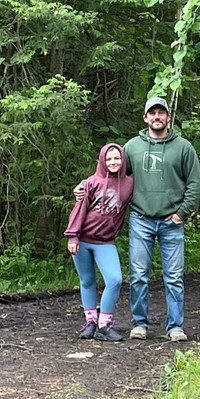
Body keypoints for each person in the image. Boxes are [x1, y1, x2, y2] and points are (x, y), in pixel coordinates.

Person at [122, 96, 200, 342]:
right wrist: (87, 186)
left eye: (161, 113)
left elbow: (195, 183)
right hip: (141, 219)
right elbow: (113, 176)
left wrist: (182, 213)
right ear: (145, 118)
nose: (157, 117)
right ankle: (139, 324)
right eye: (152, 113)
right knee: (138, 274)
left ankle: (175, 327)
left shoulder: (183, 147)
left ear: (168, 117)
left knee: (174, 276)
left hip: (172, 222)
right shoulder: (132, 147)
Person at [64, 144, 134, 341]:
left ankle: (104, 325)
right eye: (109, 159)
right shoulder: (91, 182)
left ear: (123, 160)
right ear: (102, 161)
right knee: (87, 281)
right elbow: (80, 209)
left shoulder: (129, 183)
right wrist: (73, 235)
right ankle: (90, 322)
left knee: (114, 279)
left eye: (117, 158)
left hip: (105, 242)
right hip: (83, 240)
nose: (113, 162)